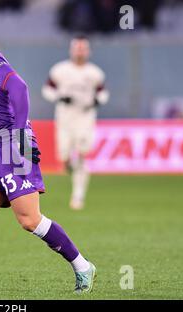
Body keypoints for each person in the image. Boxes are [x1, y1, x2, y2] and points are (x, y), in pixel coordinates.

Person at [0, 12, 96, 294]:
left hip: (13, 150)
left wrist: (20, 135)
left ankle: (83, 266)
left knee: (30, 219)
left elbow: (19, 88)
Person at [42, 35, 109, 210]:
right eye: (77, 48)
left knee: (81, 154)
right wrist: (59, 97)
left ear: (88, 51)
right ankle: (70, 166)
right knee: (63, 157)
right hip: (65, 117)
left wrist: (97, 101)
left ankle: (78, 196)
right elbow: (47, 89)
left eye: (83, 48)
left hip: (85, 117)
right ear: (72, 50)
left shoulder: (95, 73)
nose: (80, 51)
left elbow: (103, 93)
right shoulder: (60, 70)